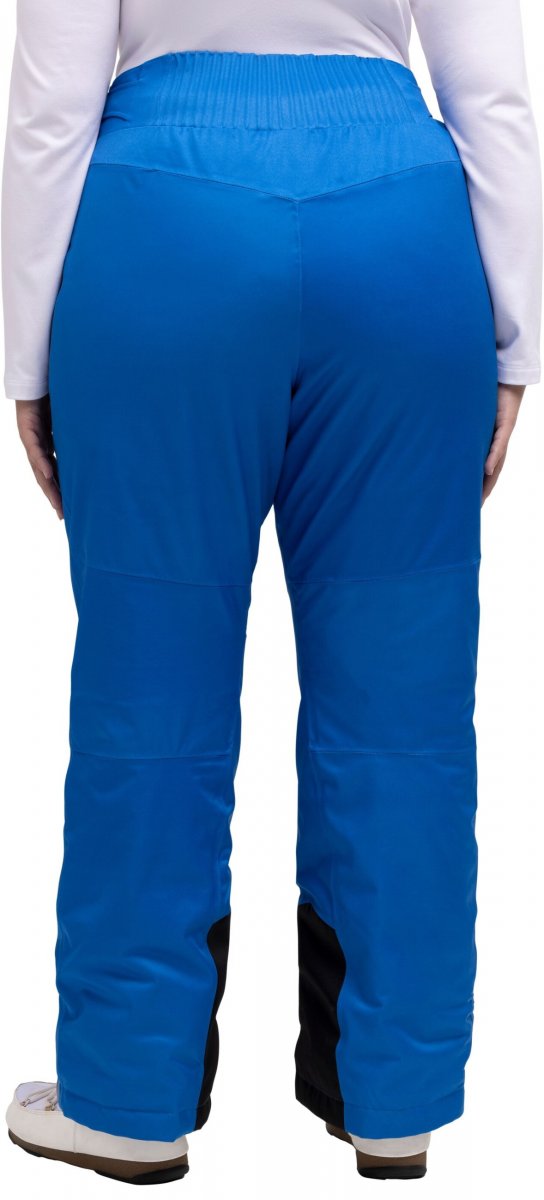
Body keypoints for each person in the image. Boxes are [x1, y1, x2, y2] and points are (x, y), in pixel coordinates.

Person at [2, 0, 541, 1186]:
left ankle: (128, 1101)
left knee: (150, 700)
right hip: (401, 237)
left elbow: (50, 108)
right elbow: (492, 95)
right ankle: (393, 1101)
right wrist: (514, 341)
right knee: (402, 711)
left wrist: (28, 359)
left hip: (162, 239)